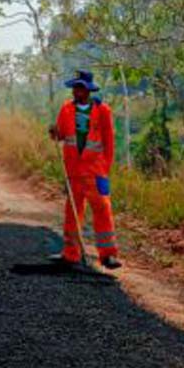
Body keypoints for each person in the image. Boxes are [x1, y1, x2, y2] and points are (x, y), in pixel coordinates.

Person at [49, 70, 122, 269]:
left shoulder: (102, 110)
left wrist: (105, 168)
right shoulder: (66, 109)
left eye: (80, 87)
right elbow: (62, 135)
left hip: (95, 171)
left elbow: (109, 142)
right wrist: (55, 133)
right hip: (73, 170)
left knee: (102, 209)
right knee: (72, 211)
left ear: (88, 90)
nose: (76, 91)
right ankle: (70, 253)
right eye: (75, 87)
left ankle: (108, 255)